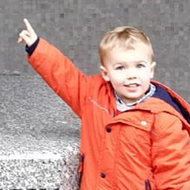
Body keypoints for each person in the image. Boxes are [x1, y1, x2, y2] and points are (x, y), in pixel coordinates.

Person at [18, 18, 190, 190]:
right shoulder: (94, 97)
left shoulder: (164, 120)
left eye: (139, 66)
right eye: (121, 68)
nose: (131, 75)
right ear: (106, 73)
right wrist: (36, 47)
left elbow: (176, 177)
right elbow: (65, 78)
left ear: (151, 70)